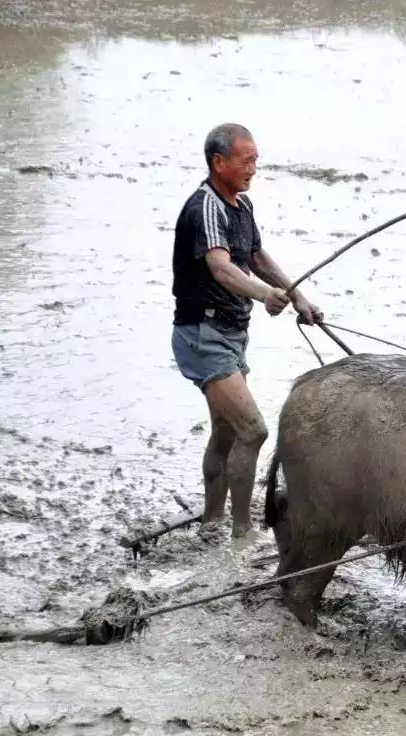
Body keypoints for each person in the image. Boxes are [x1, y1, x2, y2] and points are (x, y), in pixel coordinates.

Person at [170, 122, 323, 542]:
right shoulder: (205, 207)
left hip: (231, 333)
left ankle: (211, 523)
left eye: (256, 159)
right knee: (252, 430)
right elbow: (220, 267)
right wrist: (264, 295)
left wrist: (296, 297)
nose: (254, 168)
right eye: (246, 160)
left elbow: (255, 255)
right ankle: (241, 533)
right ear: (219, 162)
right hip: (202, 334)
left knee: (225, 431)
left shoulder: (240, 205)